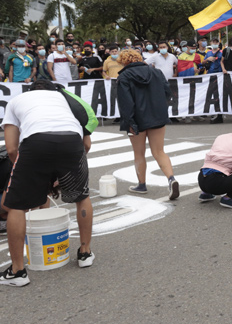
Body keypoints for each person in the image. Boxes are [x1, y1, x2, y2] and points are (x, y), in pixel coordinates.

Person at [0, 80, 97, 287]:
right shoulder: (67, 100)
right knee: (82, 196)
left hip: (35, 142)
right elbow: (86, 143)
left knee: (16, 206)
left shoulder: (17, 100)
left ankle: (17, 271)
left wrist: (34, 177)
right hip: (72, 142)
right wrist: (60, 175)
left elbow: (11, 149)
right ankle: (85, 253)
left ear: (31, 90)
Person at [116, 50, 179, 200]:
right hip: (157, 116)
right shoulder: (156, 72)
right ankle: (171, 179)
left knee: (139, 153)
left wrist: (129, 121)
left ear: (124, 61)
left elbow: (125, 102)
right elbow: (167, 92)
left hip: (136, 119)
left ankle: (141, 184)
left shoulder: (124, 76)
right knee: (159, 151)